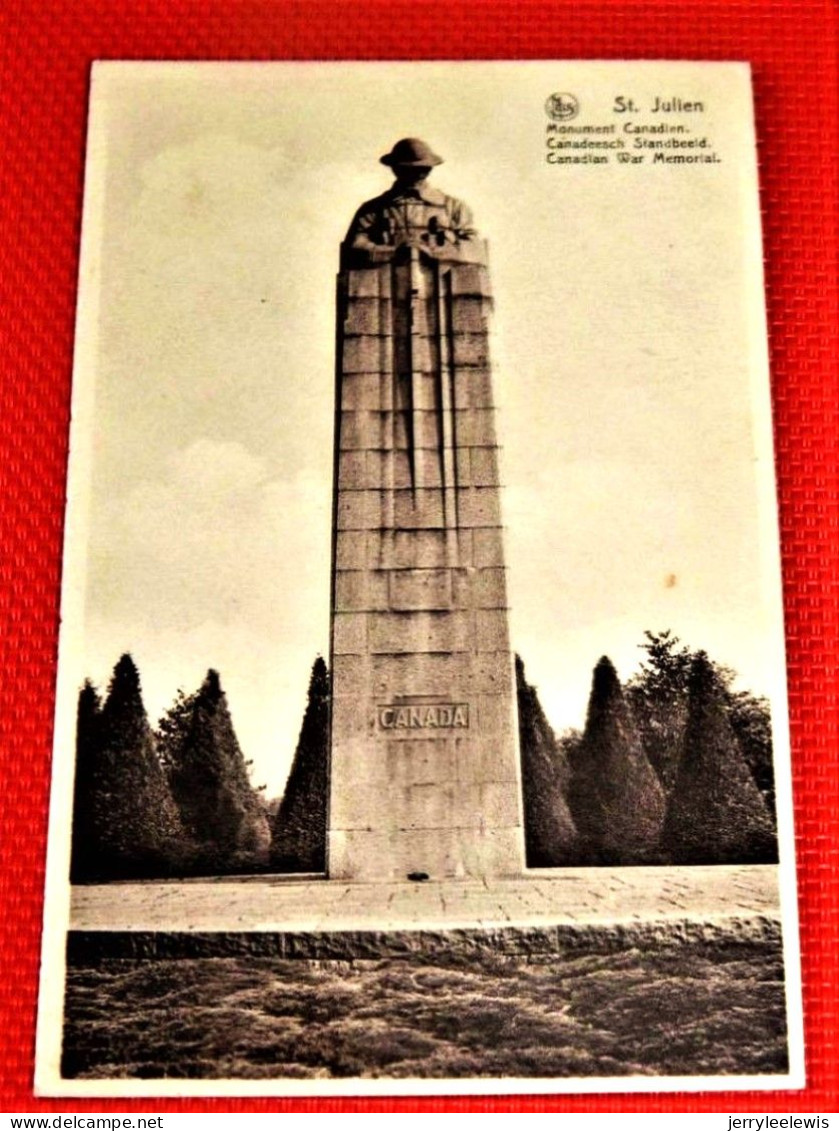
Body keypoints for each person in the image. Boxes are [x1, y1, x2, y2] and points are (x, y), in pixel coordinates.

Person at [343, 138, 477, 264]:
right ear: (395, 169)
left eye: (421, 169)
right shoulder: (372, 209)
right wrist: (393, 253)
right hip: (386, 283)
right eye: (407, 169)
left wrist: (434, 252)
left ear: (429, 169)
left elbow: (474, 249)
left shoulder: (454, 207)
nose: (415, 174)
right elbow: (353, 248)